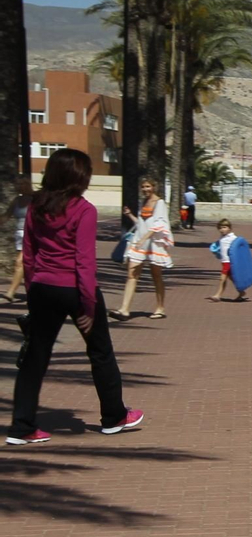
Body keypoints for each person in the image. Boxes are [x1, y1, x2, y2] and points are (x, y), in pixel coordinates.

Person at [7, 149, 144, 445]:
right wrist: (88, 307)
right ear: (77, 178)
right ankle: (114, 416)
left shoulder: (35, 206)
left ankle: (21, 427)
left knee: (34, 358)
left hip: (42, 287)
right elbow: (84, 262)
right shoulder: (84, 210)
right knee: (100, 352)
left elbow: (28, 255)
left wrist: (32, 292)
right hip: (75, 289)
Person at [112, 178, 173, 321]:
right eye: (143, 187)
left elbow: (159, 224)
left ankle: (160, 308)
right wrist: (129, 215)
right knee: (132, 274)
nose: (145, 189)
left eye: (148, 186)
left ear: (154, 187)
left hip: (154, 243)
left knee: (156, 275)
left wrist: (144, 239)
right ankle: (124, 310)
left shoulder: (160, 203)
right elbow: (141, 223)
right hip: (139, 242)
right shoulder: (143, 202)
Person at [206, 219, 246, 302]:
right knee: (233, 279)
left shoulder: (233, 238)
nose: (222, 229)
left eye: (224, 227)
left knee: (222, 278)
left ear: (229, 228)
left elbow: (240, 246)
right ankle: (241, 292)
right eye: (220, 228)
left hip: (229, 262)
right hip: (224, 261)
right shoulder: (222, 237)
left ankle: (218, 295)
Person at [3, 184, 28, 303]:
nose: (20, 187)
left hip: (30, 234)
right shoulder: (16, 200)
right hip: (19, 235)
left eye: (22, 183)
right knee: (26, 264)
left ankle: (11, 292)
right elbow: (6, 216)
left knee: (20, 262)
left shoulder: (35, 200)